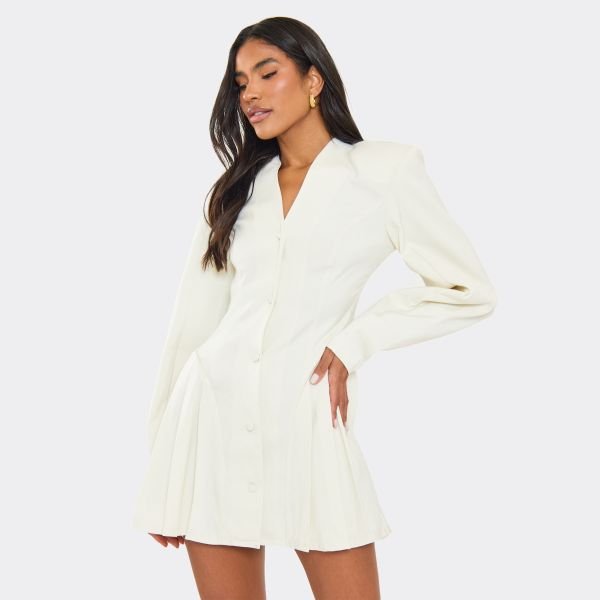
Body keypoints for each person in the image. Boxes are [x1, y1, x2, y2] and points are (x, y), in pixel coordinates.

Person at [132, 16, 497, 600]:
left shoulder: (383, 171)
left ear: (313, 80)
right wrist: (163, 465)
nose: (249, 94)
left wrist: (353, 343)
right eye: (240, 83)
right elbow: (191, 324)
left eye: (267, 73)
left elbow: (467, 289)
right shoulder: (234, 191)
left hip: (307, 415)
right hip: (213, 420)